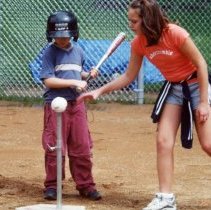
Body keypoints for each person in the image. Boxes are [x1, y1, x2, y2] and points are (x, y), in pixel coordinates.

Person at [77, 0, 211, 209]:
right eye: (129, 20)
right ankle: (166, 199)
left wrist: (203, 102)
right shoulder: (139, 43)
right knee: (163, 141)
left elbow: (201, 63)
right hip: (174, 89)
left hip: (197, 85)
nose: (130, 25)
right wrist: (99, 90)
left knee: (208, 144)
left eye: (134, 21)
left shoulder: (174, 33)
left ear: (147, 20)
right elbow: (128, 76)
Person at [39, 10, 101, 201]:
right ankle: (52, 185)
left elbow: (77, 74)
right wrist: (74, 83)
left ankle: (86, 185)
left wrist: (87, 75)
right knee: (55, 147)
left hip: (77, 105)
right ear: (51, 36)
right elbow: (48, 80)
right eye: (57, 36)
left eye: (65, 35)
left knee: (82, 146)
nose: (62, 40)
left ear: (73, 33)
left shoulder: (79, 51)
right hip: (56, 107)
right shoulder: (50, 52)